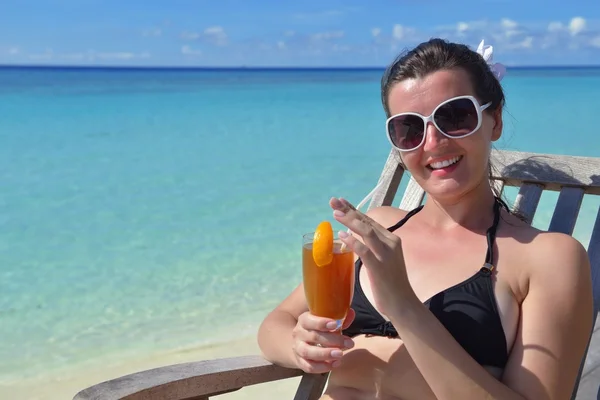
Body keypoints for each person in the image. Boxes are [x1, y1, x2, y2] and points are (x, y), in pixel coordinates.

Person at [257, 38, 595, 400]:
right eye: (410, 129)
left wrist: (402, 304)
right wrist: (300, 346)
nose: (432, 143)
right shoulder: (378, 227)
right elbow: (276, 324)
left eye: (454, 116)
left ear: (494, 120)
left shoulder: (547, 257)